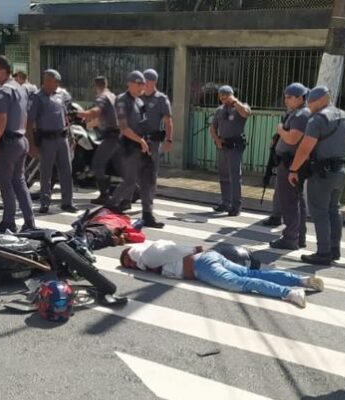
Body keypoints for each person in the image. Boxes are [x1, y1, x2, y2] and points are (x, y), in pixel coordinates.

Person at [120, 240, 324, 308]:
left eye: (127, 260)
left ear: (131, 253)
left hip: (203, 267)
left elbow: (169, 250)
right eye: (127, 264)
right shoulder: (148, 254)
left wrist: (192, 249)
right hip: (209, 258)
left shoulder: (146, 257)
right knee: (250, 272)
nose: (130, 265)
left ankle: (290, 292)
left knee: (243, 282)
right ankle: (302, 280)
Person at [288, 86, 345, 265]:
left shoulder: (317, 120)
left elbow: (305, 148)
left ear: (319, 100)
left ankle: (323, 252)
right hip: (339, 171)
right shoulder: (344, 116)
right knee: (334, 209)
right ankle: (334, 249)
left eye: (311, 102)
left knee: (320, 212)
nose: (309, 106)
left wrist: (293, 170)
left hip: (322, 173)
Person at [0, 55, 37, 233]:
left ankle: (8, 221)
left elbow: (1, 119)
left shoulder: (3, 92)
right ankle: (29, 222)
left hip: (7, 142)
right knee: (19, 181)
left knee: (5, 183)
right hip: (21, 140)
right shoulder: (21, 88)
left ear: (2, 70)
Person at [27, 69, 77, 214]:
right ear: (47, 80)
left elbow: (65, 116)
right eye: (55, 81)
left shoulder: (60, 95)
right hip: (46, 139)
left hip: (62, 138)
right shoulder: (37, 97)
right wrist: (31, 144)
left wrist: (71, 135)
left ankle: (67, 202)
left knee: (66, 171)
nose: (57, 84)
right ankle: (44, 202)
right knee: (46, 173)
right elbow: (29, 122)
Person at [270, 82, 310, 250]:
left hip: (291, 162)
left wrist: (280, 130)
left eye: (289, 97)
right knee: (296, 200)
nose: (285, 100)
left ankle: (291, 238)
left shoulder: (301, 115)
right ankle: (298, 236)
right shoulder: (295, 113)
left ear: (300, 98)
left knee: (289, 201)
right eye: (285, 97)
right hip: (290, 161)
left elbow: (293, 139)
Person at [104, 71, 151, 214]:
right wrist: (140, 140)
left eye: (143, 84)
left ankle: (126, 201)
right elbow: (124, 128)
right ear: (129, 84)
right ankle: (112, 203)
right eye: (138, 84)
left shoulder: (139, 101)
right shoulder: (122, 100)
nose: (141, 87)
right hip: (127, 144)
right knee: (130, 178)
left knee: (137, 175)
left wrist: (146, 139)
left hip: (139, 142)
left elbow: (143, 122)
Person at [136, 68, 173, 228]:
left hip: (152, 144)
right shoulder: (137, 97)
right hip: (137, 142)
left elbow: (168, 121)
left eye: (146, 82)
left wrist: (169, 139)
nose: (143, 85)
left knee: (150, 178)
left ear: (153, 82)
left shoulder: (161, 99)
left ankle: (148, 212)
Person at [77, 76, 121, 204]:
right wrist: (90, 123)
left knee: (97, 164)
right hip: (118, 135)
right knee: (119, 167)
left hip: (110, 136)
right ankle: (131, 191)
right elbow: (104, 116)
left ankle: (104, 194)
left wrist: (78, 113)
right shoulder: (112, 96)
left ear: (95, 86)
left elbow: (96, 112)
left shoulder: (101, 97)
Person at [210, 85, 251, 217]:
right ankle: (225, 202)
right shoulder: (220, 110)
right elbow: (213, 127)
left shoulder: (240, 107)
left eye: (225, 95)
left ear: (231, 95)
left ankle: (236, 205)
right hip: (223, 145)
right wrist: (217, 140)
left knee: (235, 177)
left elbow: (246, 113)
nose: (222, 97)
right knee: (223, 176)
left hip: (235, 146)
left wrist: (234, 101)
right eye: (220, 95)